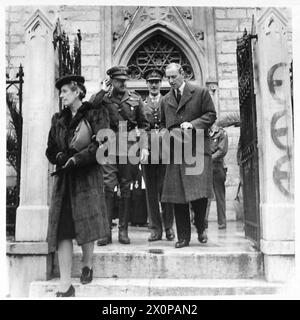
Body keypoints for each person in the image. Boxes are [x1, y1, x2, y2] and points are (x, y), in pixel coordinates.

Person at [46, 74, 110, 297]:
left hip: (87, 176)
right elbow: (50, 149)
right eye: (61, 92)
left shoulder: (95, 113)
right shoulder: (58, 119)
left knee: (87, 222)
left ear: (77, 92)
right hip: (65, 179)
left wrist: (78, 159)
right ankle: (65, 284)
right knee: (63, 230)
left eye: (64, 91)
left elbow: (104, 146)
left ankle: (87, 263)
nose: (61, 95)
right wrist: (61, 156)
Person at [160, 63, 216, 248]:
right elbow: (161, 124)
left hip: (197, 150)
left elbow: (211, 115)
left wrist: (193, 124)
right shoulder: (165, 99)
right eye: (168, 78)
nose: (171, 81)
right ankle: (183, 237)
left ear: (182, 74)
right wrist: (163, 134)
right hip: (176, 152)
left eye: (174, 77)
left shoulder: (200, 92)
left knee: (199, 195)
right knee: (178, 196)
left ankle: (201, 228)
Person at [93, 65, 150, 245]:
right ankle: (105, 232)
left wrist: (144, 146)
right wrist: (102, 90)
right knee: (108, 188)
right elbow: (91, 105)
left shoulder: (135, 98)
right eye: (119, 81)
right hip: (109, 148)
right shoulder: (103, 98)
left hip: (130, 147)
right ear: (111, 81)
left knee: (126, 188)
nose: (123, 83)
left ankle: (123, 231)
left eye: (125, 80)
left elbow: (144, 124)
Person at [141, 68, 175, 241]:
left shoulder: (168, 101)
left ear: (161, 83)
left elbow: (171, 125)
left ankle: (169, 227)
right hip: (147, 153)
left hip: (165, 152)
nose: (154, 85)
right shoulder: (140, 103)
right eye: (150, 82)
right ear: (146, 84)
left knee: (166, 189)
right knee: (151, 192)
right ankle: (155, 229)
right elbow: (140, 128)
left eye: (156, 82)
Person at [209, 121, 228, 229]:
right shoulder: (204, 133)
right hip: (206, 167)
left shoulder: (221, 133)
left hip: (218, 167)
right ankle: (203, 222)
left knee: (219, 195)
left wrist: (208, 158)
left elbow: (222, 151)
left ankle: (222, 222)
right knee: (205, 196)